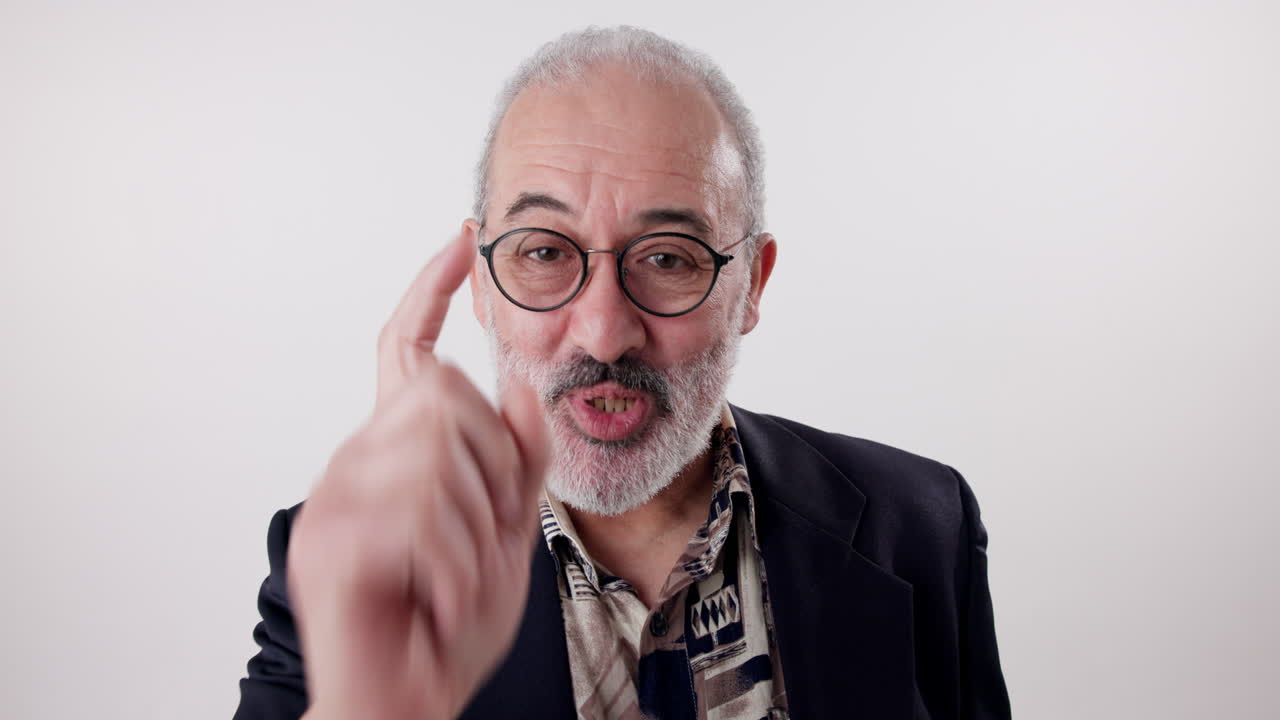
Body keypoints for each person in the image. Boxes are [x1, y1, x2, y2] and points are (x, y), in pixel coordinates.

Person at [233, 25, 1010, 720]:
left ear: (753, 286)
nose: (605, 333)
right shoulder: (353, 561)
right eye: (544, 252)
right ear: (478, 278)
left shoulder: (920, 524)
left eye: (669, 258)